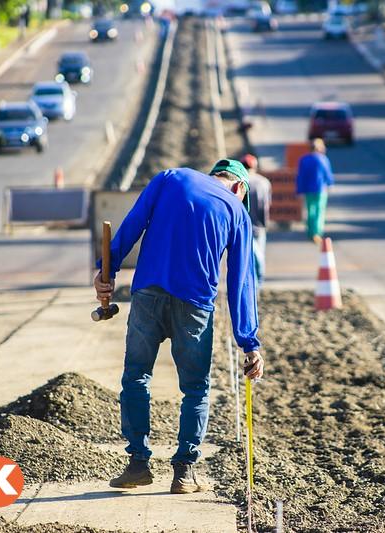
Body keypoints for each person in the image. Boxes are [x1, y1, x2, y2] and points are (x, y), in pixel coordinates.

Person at [94, 160, 265, 494]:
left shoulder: (171, 178)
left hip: (148, 296)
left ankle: (138, 464)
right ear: (239, 188)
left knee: (136, 376)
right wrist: (249, 341)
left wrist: (106, 271)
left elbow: (131, 226)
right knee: (196, 388)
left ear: (214, 175)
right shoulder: (237, 211)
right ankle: (184, 472)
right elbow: (241, 281)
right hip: (195, 306)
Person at [240, 154, 272, 286]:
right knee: (259, 255)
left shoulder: (239, 182)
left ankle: (250, 283)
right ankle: (259, 282)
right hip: (258, 225)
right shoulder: (263, 182)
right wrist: (265, 223)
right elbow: (266, 205)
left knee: (245, 258)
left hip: (242, 226)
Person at [296, 138, 334, 245]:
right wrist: (330, 184)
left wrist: (299, 190)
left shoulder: (304, 159)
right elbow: (328, 175)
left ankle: (310, 231)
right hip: (320, 189)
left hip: (308, 189)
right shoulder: (323, 159)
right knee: (319, 211)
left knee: (310, 211)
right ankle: (317, 232)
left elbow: (301, 176)